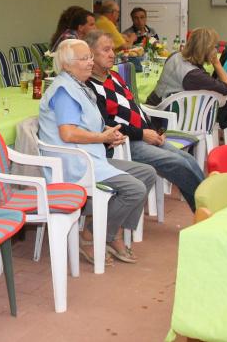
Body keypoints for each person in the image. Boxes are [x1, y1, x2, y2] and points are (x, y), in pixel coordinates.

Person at [38, 39, 155, 264]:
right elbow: (68, 133)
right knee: (134, 189)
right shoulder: (64, 91)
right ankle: (92, 236)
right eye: (84, 59)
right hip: (74, 164)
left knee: (147, 174)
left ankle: (109, 232)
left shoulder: (79, 86)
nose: (91, 62)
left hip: (91, 158)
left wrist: (108, 133)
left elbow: (85, 124)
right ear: (67, 65)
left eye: (90, 57)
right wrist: (102, 138)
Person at [84, 31, 203, 211]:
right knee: (177, 163)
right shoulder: (90, 87)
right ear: (91, 54)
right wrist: (143, 134)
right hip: (125, 142)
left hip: (143, 134)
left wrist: (155, 131)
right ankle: (205, 209)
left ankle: (207, 205)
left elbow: (135, 108)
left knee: (188, 159)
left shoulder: (114, 76)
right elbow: (105, 124)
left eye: (112, 49)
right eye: (106, 50)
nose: (112, 54)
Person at [147, 27, 227, 106]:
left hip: (152, 102)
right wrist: (216, 63)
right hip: (162, 113)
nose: (216, 50)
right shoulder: (195, 75)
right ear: (206, 49)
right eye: (215, 47)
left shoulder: (174, 55)